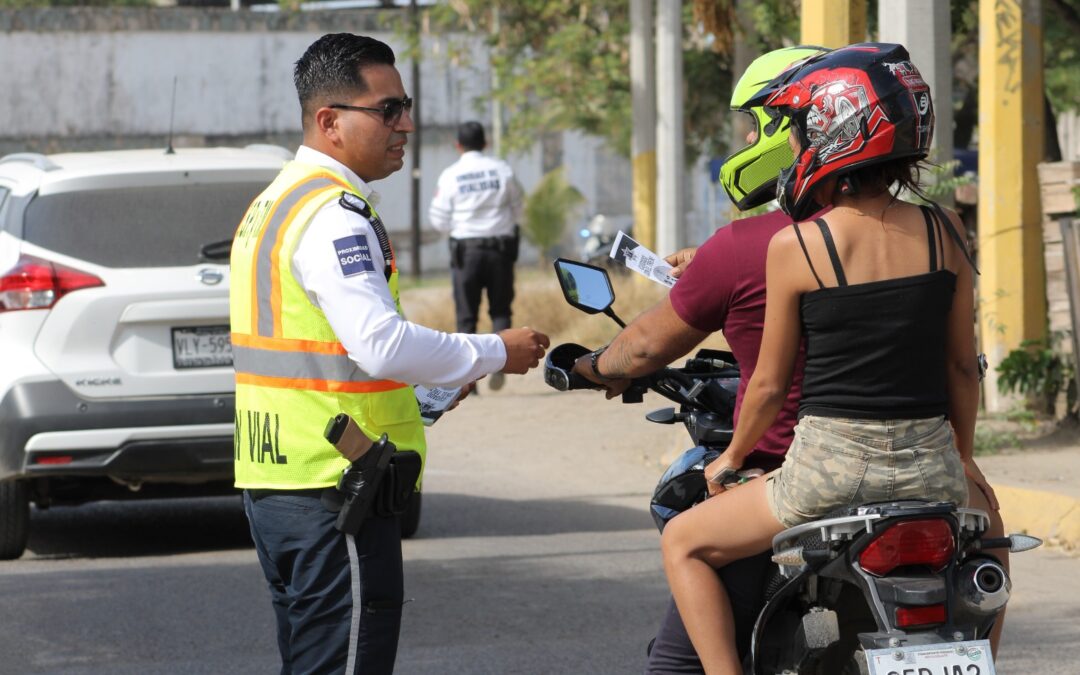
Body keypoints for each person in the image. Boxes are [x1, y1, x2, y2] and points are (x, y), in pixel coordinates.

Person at [577, 43, 1004, 673]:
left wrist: (728, 458)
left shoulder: (798, 244)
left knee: (685, 542)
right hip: (931, 468)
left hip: (828, 472)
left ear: (834, 134)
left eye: (803, 129)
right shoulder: (945, 229)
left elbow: (771, 385)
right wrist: (960, 459)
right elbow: (963, 368)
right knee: (988, 547)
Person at [229, 34, 549, 675]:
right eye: (388, 110)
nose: (405, 124)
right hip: (337, 488)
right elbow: (379, 344)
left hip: (277, 481)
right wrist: (493, 350)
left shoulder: (275, 202)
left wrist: (426, 391)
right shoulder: (335, 215)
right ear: (330, 122)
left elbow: (322, 356)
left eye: (405, 107)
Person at [429, 121, 525, 391]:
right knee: (501, 310)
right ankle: (500, 366)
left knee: (466, 316)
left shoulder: (451, 175)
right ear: (485, 143)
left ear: (458, 146)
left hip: (466, 252)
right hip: (499, 250)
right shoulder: (501, 169)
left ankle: (468, 381)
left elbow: (438, 218)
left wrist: (459, 229)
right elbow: (518, 207)